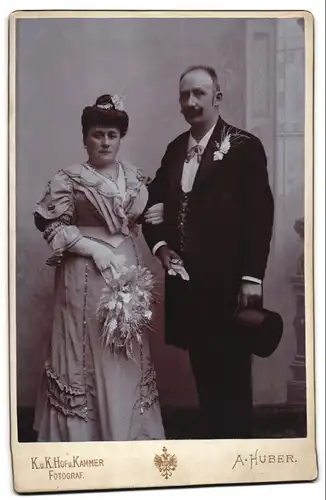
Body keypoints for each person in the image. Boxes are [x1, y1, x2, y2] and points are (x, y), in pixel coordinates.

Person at [143, 65, 274, 439]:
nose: (191, 102)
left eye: (199, 93)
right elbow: (152, 207)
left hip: (231, 285)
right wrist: (162, 246)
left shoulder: (244, 147)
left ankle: (239, 459)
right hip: (189, 288)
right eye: (185, 95)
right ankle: (216, 453)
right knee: (205, 376)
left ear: (217, 98)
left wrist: (252, 277)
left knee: (232, 377)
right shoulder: (174, 149)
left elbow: (259, 215)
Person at [33, 94, 165, 442]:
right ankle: (86, 438)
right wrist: (92, 248)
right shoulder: (70, 179)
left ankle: (128, 433)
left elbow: (142, 218)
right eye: (97, 134)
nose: (105, 142)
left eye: (112, 135)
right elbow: (50, 226)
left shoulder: (135, 177)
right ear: (85, 138)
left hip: (127, 272)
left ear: (121, 138)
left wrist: (155, 215)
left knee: (125, 348)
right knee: (88, 349)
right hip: (84, 277)